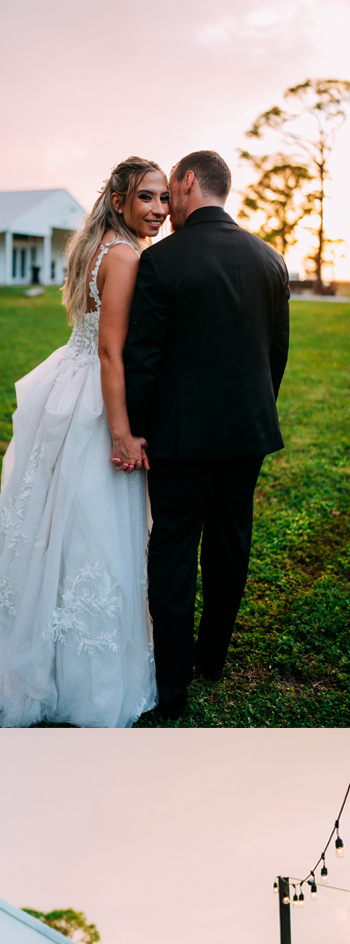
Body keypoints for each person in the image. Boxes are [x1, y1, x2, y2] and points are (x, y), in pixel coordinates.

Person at [0, 157, 166, 728]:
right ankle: (74, 669)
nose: (158, 210)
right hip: (94, 400)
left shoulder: (96, 245)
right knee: (91, 524)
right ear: (119, 201)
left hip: (66, 383)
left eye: (162, 198)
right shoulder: (127, 255)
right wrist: (121, 431)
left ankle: (24, 638)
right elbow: (111, 351)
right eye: (146, 199)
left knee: (49, 520)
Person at [124, 150, 290, 719]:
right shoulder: (270, 260)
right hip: (247, 434)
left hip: (178, 439)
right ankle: (211, 659)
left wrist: (137, 429)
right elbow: (276, 356)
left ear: (189, 182)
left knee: (172, 546)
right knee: (230, 543)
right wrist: (252, 413)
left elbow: (142, 360)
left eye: (170, 191)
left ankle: (171, 689)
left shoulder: (163, 261)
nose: (166, 206)